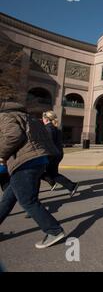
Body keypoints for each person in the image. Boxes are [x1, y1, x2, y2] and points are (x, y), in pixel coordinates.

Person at [0, 94, 65, 248]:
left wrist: (1, 154)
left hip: (24, 163)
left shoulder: (4, 116)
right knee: (8, 199)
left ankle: (54, 231)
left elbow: (13, 136)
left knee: (28, 201)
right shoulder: (28, 117)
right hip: (37, 161)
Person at [40, 111, 79, 197]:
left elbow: (48, 144)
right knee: (52, 173)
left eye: (42, 118)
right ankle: (55, 183)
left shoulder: (48, 128)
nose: (42, 120)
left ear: (46, 119)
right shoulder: (55, 128)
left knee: (50, 173)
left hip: (52, 155)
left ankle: (72, 186)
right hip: (58, 154)